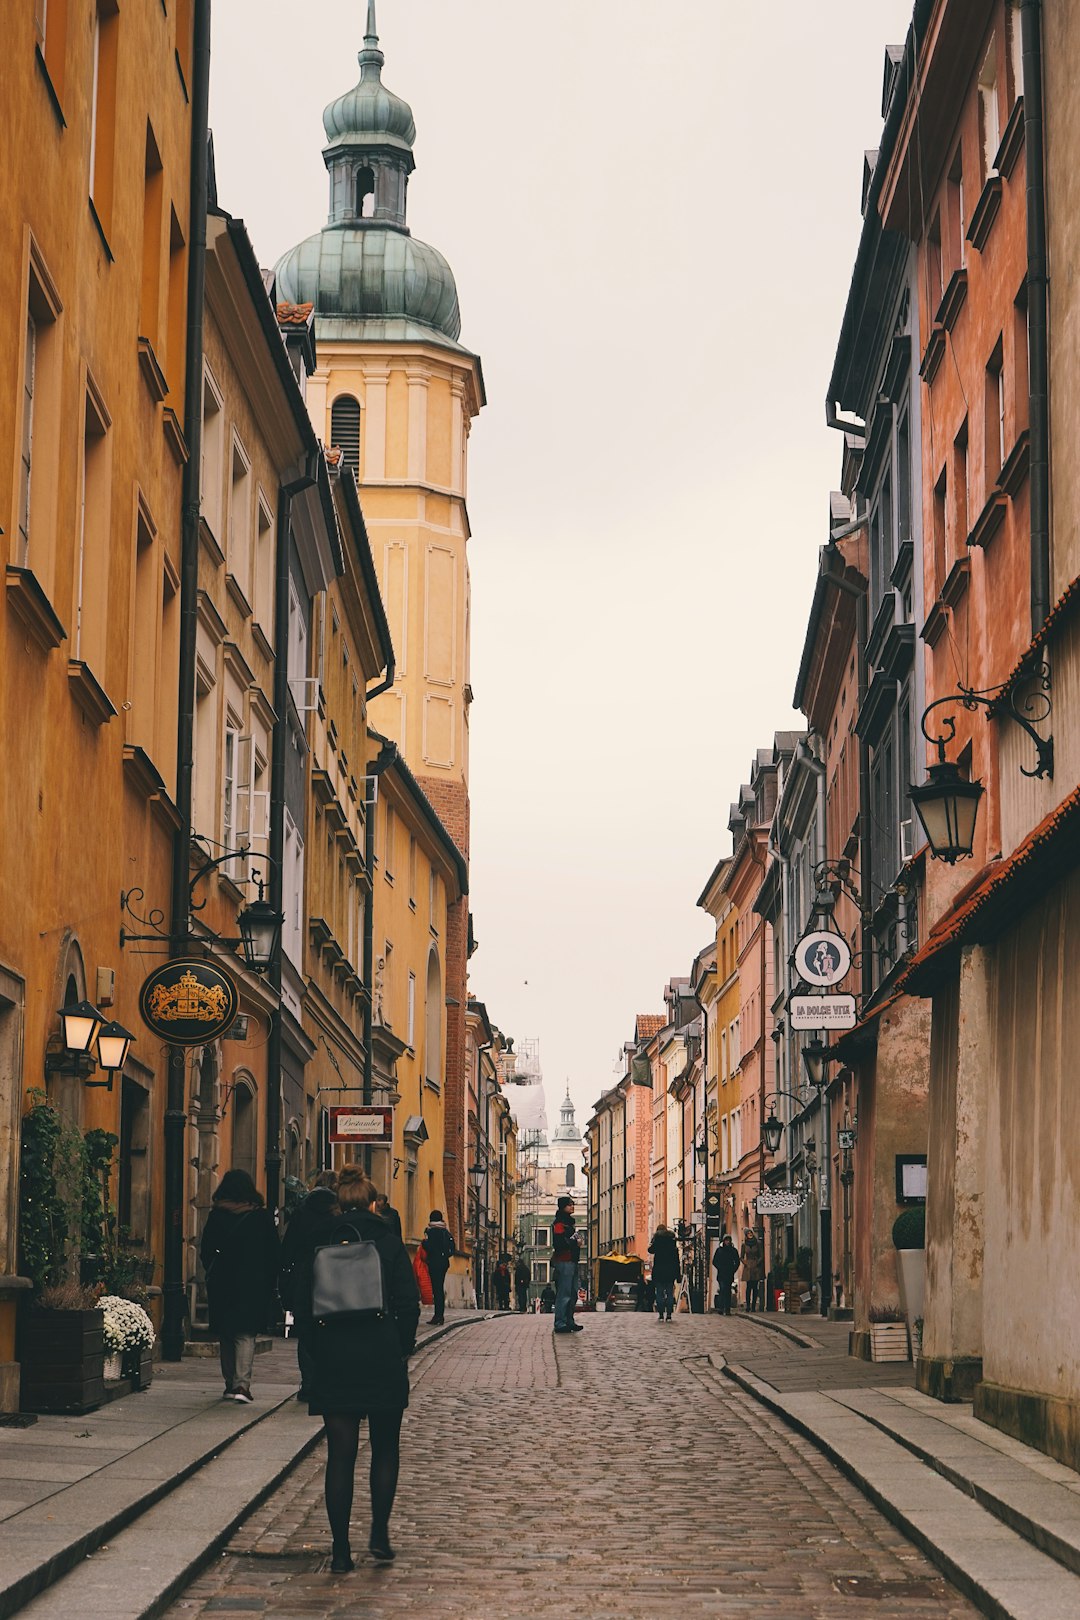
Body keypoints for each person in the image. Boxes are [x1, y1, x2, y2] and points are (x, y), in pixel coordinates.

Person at [298, 1167, 420, 1572]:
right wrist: (401, 1348)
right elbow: (408, 1302)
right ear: (372, 1202)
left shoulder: (319, 1240)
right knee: (385, 1449)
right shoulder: (387, 1242)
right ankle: (380, 1534)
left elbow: (303, 1302)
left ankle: (340, 1551)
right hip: (380, 1354)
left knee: (340, 1456)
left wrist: (314, 1350)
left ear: (340, 1203)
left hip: (334, 1356)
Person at [200, 1169, 279, 1404]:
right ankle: (241, 1385)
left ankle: (229, 1384)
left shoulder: (217, 1215)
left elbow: (205, 1250)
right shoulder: (261, 1217)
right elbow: (274, 1252)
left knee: (226, 1332)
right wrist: (269, 1279)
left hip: (222, 1283)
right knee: (245, 1333)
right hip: (252, 1283)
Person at [279, 1177, 338, 1400]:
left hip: (305, 1277)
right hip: (331, 1278)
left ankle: (308, 1383)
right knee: (329, 1331)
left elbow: (288, 1248)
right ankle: (326, 1381)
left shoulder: (302, 1214)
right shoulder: (336, 1217)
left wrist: (286, 1276)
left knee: (305, 1331)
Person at [550, 1195, 582, 1334]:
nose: (572, 1206)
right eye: (569, 1204)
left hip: (572, 1261)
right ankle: (560, 1322)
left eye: (572, 1204)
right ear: (563, 1207)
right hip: (564, 1261)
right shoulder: (559, 1224)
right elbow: (559, 1243)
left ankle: (569, 1320)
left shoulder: (568, 1223)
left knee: (573, 1293)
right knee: (564, 1293)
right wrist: (575, 1242)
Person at [422, 1209, 454, 1325]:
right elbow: (452, 1249)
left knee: (437, 1290)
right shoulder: (445, 1231)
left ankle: (438, 1316)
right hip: (444, 1262)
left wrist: (424, 1244)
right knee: (439, 1288)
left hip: (434, 1262)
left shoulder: (431, 1231)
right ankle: (440, 1315)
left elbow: (429, 1247)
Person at [648, 1223, 681, 1323]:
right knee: (670, 1293)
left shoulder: (657, 1241)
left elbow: (650, 1250)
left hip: (659, 1272)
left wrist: (653, 1240)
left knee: (659, 1294)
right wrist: (677, 1274)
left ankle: (661, 1314)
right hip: (670, 1272)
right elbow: (676, 1261)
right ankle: (669, 1315)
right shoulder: (672, 1242)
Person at [712, 1233, 740, 1315]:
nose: (727, 1242)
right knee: (722, 1289)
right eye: (726, 1240)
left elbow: (737, 1262)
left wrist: (733, 1269)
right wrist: (719, 1267)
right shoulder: (719, 1250)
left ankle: (727, 1309)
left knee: (727, 1291)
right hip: (721, 1274)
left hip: (729, 1274)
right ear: (723, 1241)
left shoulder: (733, 1250)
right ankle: (721, 1308)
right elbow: (714, 1261)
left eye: (729, 1240)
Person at [741, 1230, 766, 1312]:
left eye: (751, 1233)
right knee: (748, 1287)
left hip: (756, 1267)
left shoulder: (757, 1243)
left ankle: (753, 1306)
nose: (750, 1235)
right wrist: (745, 1263)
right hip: (748, 1267)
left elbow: (761, 1255)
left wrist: (757, 1263)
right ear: (746, 1235)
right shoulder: (744, 1244)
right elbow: (741, 1256)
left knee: (755, 1287)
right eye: (748, 1234)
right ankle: (748, 1305)